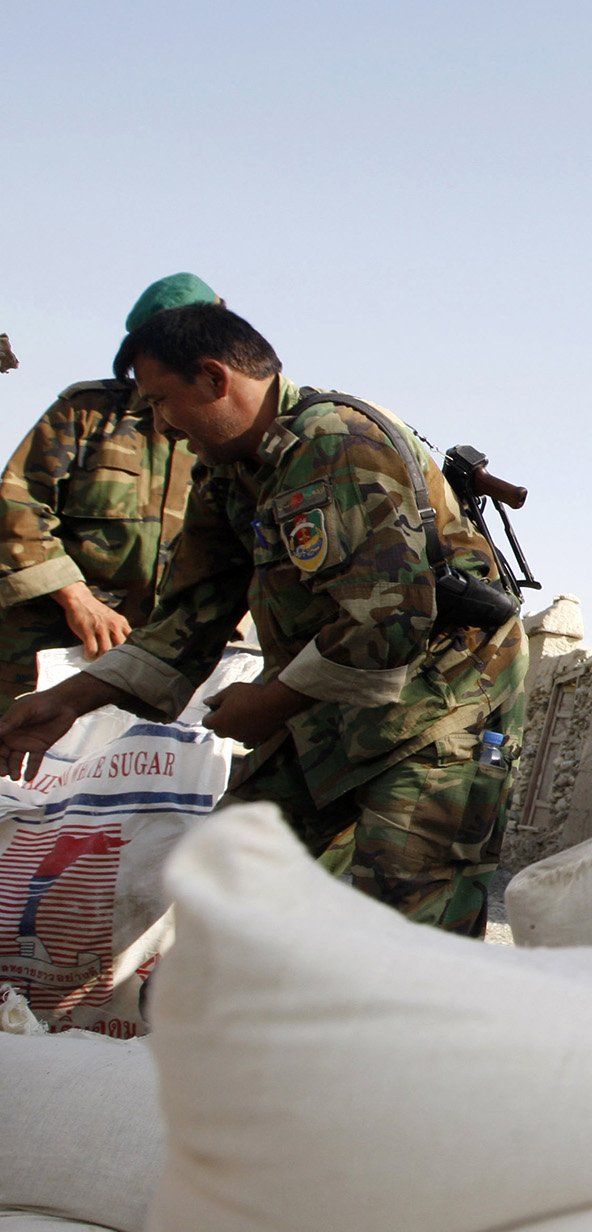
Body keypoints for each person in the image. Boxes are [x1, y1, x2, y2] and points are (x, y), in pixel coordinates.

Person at [0, 304, 526, 934]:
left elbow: (387, 624)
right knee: (227, 881)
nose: (161, 425)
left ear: (215, 378)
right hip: (325, 707)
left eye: (164, 401)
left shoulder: (337, 443)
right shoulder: (230, 475)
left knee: (409, 921)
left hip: (440, 707)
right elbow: (188, 619)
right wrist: (69, 700)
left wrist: (267, 705)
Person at [0, 274, 217, 714]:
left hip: (171, 660)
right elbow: (16, 505)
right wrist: (77, 599)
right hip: (55, 648)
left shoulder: (230, 431)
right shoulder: (86, 412)